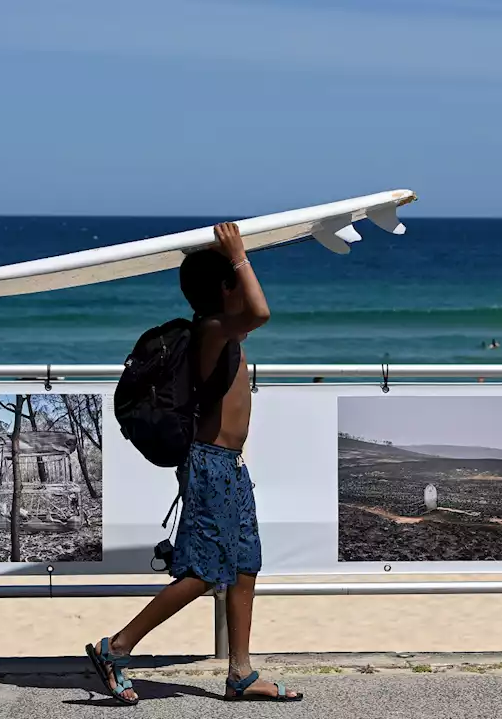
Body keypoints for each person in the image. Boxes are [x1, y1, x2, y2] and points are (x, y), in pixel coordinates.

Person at [86, 222, 301, 704]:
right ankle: (115, 647)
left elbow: (251, 311)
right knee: (204, 572)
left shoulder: (223, 329)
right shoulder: (212, 328)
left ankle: (241, 673)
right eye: (235, 280)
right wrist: (239, 254)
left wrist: (231, 261)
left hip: (231, 467)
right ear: (225, 288)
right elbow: (261, 311)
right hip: (211, 466)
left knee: (245, 566)